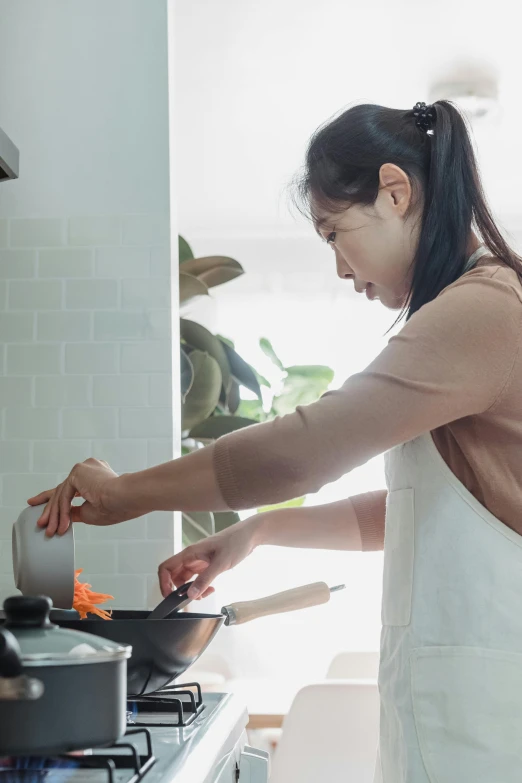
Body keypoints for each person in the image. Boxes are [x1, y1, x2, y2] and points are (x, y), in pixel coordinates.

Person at [30, 100, 522, 782]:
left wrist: (125, 494)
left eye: (332, 232)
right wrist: (255, 532)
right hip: (460, 720)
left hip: (491, 727)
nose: (342, 269)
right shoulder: (471, 310)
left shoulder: (485, 309)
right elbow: (412, 512)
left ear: (396, 192)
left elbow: (301, 451)